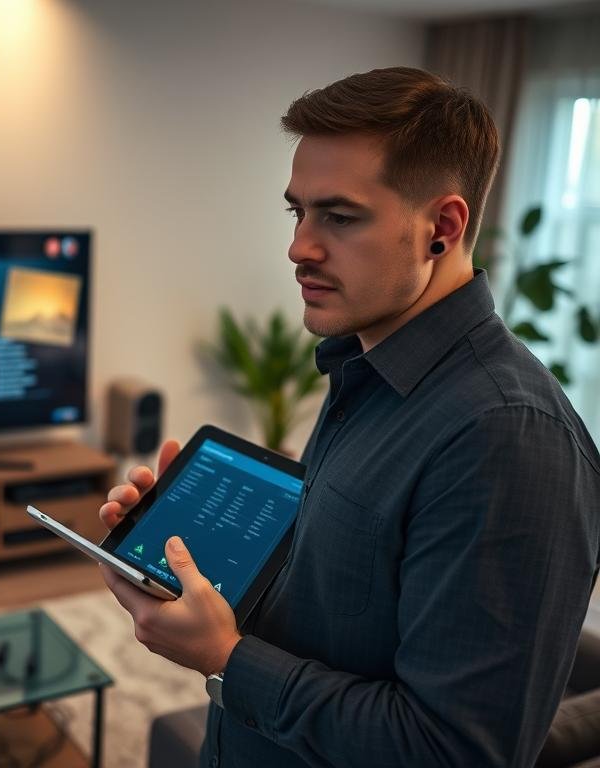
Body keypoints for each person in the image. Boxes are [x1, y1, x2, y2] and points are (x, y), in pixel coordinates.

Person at [98, 67, 600, 767]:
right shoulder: (363, 369)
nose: (300, 247)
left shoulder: (509, 438)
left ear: (442, 228)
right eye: (296, 212)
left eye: (338, 216)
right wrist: (208, 564)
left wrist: (226, 658)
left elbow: (454, 752)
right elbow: (335, 606)